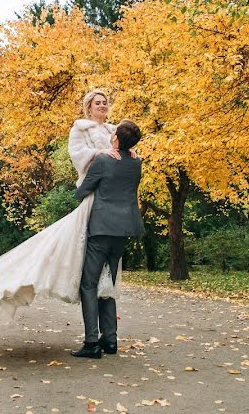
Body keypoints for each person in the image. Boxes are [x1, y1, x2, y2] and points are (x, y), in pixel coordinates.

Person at [0, 89, 133, 322]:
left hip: (109, 203)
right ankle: (20, 279)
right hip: (93, 194)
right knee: (60, 247)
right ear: (89, 107)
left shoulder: (113, 131)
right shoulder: (80, 129)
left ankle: (101, 330)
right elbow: (77, 155)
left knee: (97, 267)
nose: (102, 106)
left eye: (105, 102)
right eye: (98, 103)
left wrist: (127, 151)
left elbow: (123, 154)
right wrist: (101, 152)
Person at [70, 119, 144, 359]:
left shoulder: (102, 161)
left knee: (89, 284)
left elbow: (82, 192)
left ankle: (92, 342)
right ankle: (110, 340)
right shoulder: (136, 162)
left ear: (115, 138)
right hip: (124, 230)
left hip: (101, 228)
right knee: (108, 283)